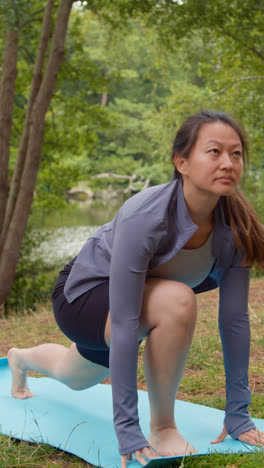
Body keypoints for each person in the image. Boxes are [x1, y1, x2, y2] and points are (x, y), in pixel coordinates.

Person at [8, 110, 264, 467]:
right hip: (84, 295)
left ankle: (20, 358)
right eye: (214, 151)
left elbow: (235, 321)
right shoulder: (145, 215)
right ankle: (163, 428)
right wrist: (127, 428)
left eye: (236, 153)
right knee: (178, 299)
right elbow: (126, 323)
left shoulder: (237, 228)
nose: (228, 162)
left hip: (144, 303)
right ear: (182, 163)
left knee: (74, 375)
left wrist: (238, 413)